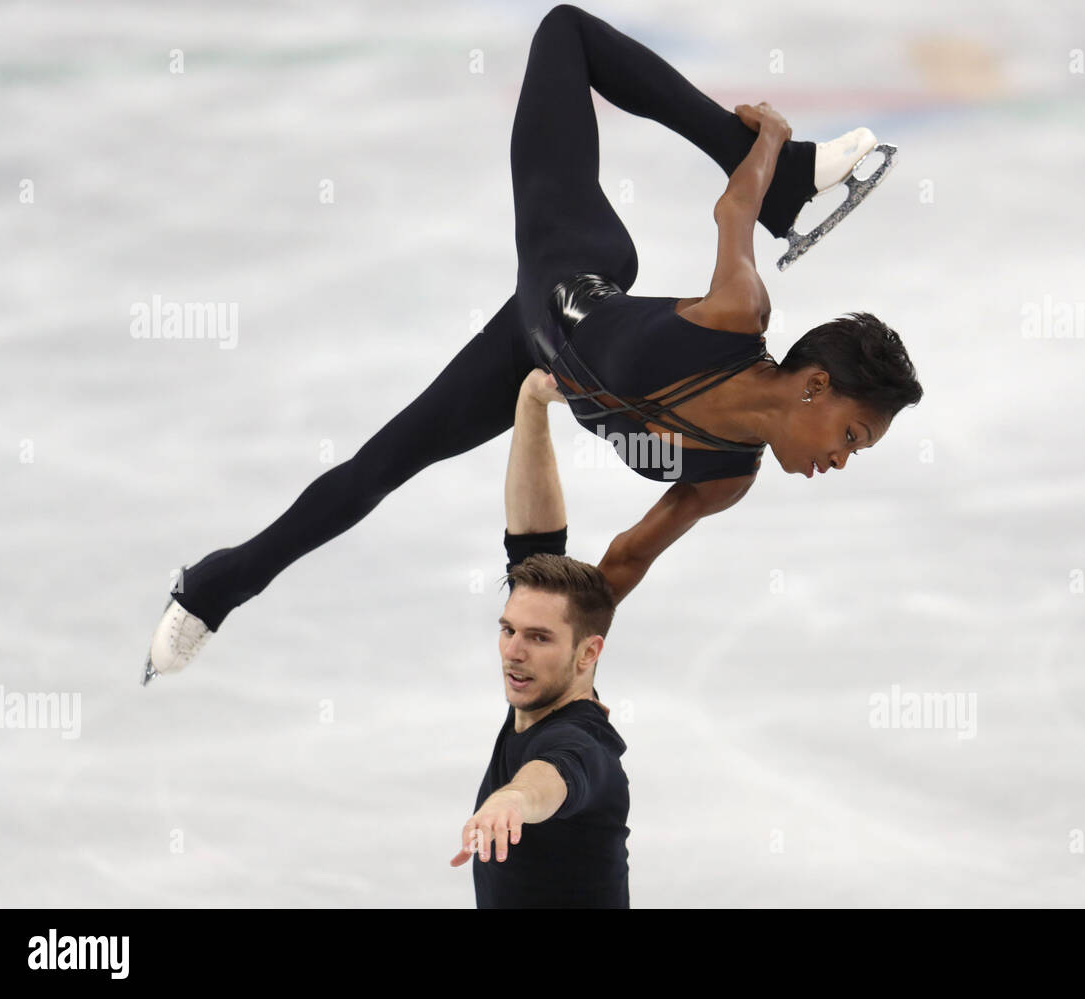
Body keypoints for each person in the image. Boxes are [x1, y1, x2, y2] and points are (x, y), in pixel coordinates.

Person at [144, 4, 923, 683]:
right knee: (565, 32)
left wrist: (569, 670)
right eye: (853, 435)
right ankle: (216, 588)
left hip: (534, 357)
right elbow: (732, 214)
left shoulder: (727, 478)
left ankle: (215, 582)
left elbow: (622, 562)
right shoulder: (736, 315)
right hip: (571, 256)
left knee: (380, 466)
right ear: (814, 385)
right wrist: (767, 151)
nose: (843, 459)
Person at [451, 369, 629, 908]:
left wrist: (514, 800)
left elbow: (552, 779)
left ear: (588, 653)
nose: (514, 650)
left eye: (537, 637)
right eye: (507, 629)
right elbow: (533, 536)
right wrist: (532, 402)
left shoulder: (583, 745)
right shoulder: (545, 694)